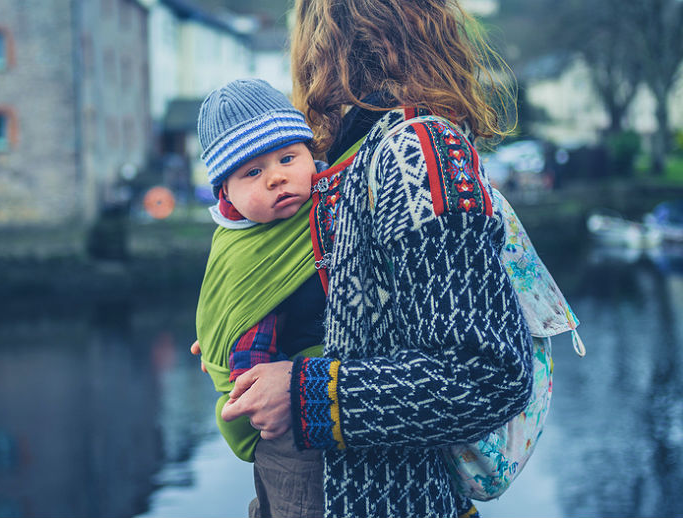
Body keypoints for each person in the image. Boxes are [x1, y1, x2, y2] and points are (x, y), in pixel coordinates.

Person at [201, 1, 535, 517]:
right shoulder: (351, 150)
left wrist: (301, 392)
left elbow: (486, 372)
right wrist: (247, 330)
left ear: (334, 40)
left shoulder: (416, 149)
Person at [194, 78, 334, 518]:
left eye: (288, 158)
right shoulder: (243, 249)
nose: (276, 176)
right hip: (288, 431)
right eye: (252, 172)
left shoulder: (329, 204)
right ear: (226, 193)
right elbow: (242, 339)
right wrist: (239, 371)